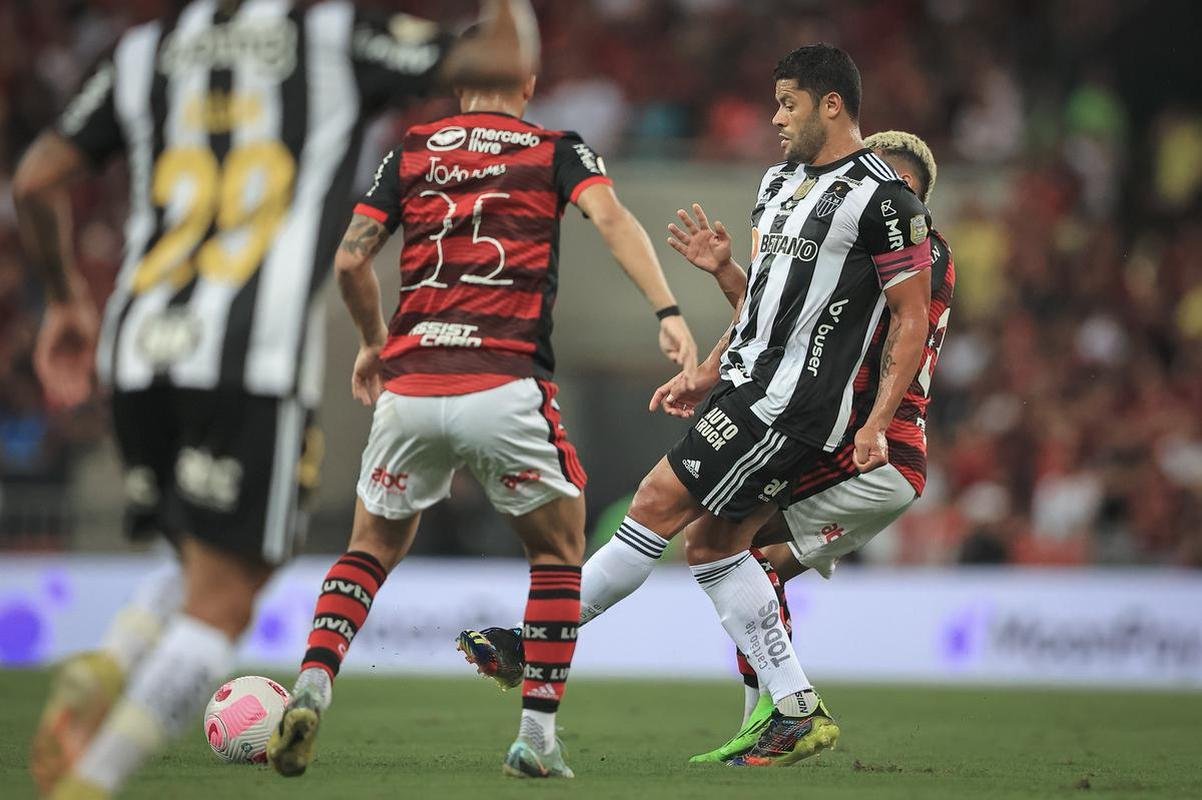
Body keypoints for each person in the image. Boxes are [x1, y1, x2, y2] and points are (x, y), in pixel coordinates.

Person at [12, 2, 540, 796]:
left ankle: (112, 657)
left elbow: (34, 179)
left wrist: (62, 300)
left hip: (138, 345)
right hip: (248, 356)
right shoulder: (329, 35)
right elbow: (501, 58)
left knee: (198, 553)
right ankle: (95, 777)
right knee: (229, 597)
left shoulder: (144, 51)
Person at [458, 43, 935, 767]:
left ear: (831, 104)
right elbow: (767, 310)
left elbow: (910, 318)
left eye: (788, 104)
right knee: (710, 546)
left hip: (791, 406)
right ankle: (797, 707)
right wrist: (711, 367)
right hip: (748, 388)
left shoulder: (885, 199)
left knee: (653, 501)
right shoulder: (778, 184)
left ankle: (538, 642)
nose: (775, 119)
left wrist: (873, 425)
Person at [264, 56, 698, 780]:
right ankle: (536, 735)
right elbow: (612, 219)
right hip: (503, 379)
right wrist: (668, 310)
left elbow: (348, 263)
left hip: (411, 387)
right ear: (528, 88)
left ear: (457, 87)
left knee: (369, 549)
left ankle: (313, 680)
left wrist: (375, 344)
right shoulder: (555, 148)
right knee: (559, 551)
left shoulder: (409, 150)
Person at [674, 129, 955, 763]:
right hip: (870, 451)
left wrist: (876, 423)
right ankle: (766, 721)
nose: (885, 197)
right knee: (736, 553)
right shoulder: (876, 251)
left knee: (724, 547)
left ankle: (785, 714)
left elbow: (805, 328)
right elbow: (778, 319)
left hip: (875, 453)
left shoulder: (916, 255)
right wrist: (725, 277)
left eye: (901, 188)